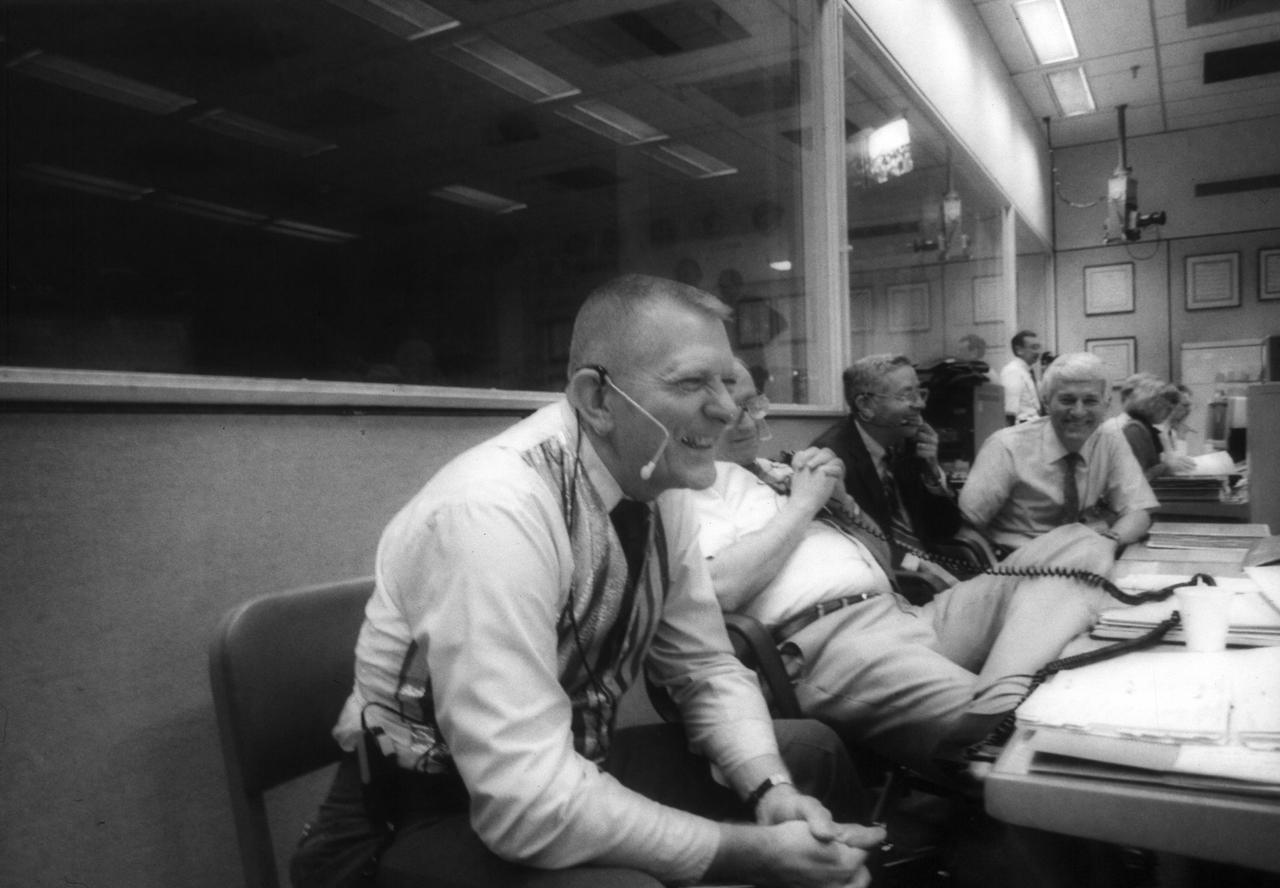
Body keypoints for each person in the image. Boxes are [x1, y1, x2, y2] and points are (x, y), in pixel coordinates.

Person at [291, 275, 881, 888]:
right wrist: (750, 852)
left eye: (727, 380)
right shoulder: (494, 511)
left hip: (557, 768)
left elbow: (703, 667)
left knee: (809, 753)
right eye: (691, 382)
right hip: (424, 813)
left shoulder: (656, 479)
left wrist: (769, 789)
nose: (727, 408)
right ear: (598, 399)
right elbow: (525, 803)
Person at [684, 361, 1120, 777]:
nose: (746, 421)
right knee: (1035, 731)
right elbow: (717, 593)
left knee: (1082, 543)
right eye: (732, 410)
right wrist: (803, 504)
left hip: (905, 612)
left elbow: (882, 556)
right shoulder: (691, 489)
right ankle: (999, 714)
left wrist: (842, 502)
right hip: (834, 643)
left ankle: (996, 701)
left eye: (752, 405)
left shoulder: (777, 469)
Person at [960, 352, 1158, 556]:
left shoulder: (1110, 439)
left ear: (1106, 405)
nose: (1078, 412)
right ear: (1046, 402)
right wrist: (993, 570)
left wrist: (1109, 542)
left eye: (1090, 401)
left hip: (1082, 559)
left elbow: (1138, 510)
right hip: (1017, 563)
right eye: (1067, 400)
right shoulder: (1005, 446)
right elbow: (965, 526)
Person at [810, 355, 962, 568]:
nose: (920, 404)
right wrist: (919, 567)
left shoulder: (908, 445)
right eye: (906, 395)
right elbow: (855, 544)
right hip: (892, 579)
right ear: (865, 405)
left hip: (931, 567)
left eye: (920, 392)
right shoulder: (833, 459)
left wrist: (932, 470)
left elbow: (946, 528)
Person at [1120, 378, 1196, 480]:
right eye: (1167, 408)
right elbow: (1136, 479)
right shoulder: (1134, 430)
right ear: (1151, 404)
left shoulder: (1145, 428)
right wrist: (1167, 467)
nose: (1170, 412)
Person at [999, 330, 1043, 424]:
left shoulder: (1027, 371)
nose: (1038, 352)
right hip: (1022, 429)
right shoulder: (1012, 371)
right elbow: (1009, 412)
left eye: (1039, 347)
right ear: (1019, 350)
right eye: (1034, 348)